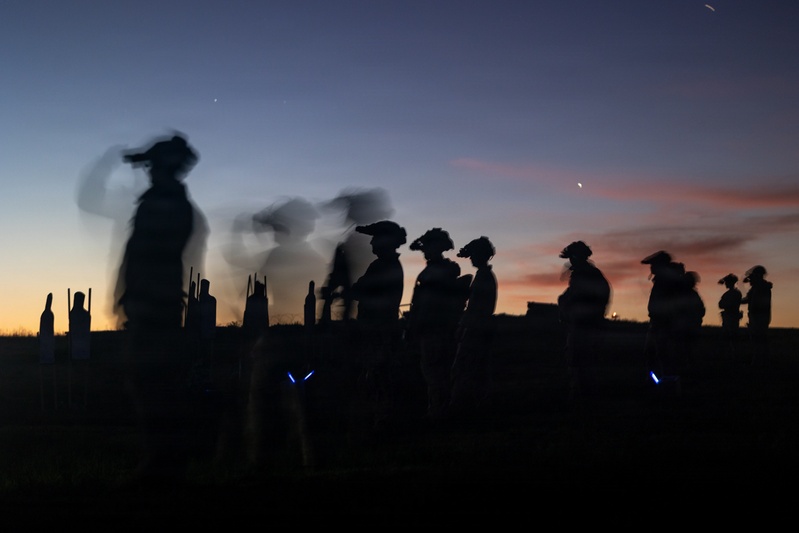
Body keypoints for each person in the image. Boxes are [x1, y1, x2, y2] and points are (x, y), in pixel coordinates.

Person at [117, 133, 199, 483]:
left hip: (156, 303)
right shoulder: (163, 199)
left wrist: (141, 297)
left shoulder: (166, 200)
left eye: (153, 163)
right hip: (152, 301)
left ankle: (163, 465)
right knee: (151, 381)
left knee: (153, 382)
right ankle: (164, 462)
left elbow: (152, 254)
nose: (148, 170)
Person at [349, 220, 407, 429]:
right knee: (379, 375)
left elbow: (360, 290)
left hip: (378, 330)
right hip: (381, 329)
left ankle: (383, 420)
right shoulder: (388, 265)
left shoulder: (382, 266)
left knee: (378, 375)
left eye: (375, 239)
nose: (372, 243)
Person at [407, 228, 467, 418]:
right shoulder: (441, 270)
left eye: (428, 247)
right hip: (434, 328)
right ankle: (440, 409)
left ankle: (439, 412)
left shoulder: (436, 272)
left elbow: (430, 303)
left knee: (435, 372)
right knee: (435, 371)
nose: (425, 251)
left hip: (435, 329)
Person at [450, 237, 498, 416]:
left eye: (474, 254)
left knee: (468, 368)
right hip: (478, 327)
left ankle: (467, 407)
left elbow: (478, 308)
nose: (471, 258)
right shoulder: (483, 276)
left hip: (476, 329)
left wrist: (464, 326)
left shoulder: (484, 277)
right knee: (476, 369)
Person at [557, 241, 610, 397]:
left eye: (573, 257)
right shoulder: (590, 275)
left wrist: (567, 307)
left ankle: (584, 399)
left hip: (584, 329)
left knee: (581, 365)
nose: (571, 261)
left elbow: (580, 299)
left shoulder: (586, 275)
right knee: (582, 365)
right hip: (584, 327)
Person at [641, 251, 684, 377]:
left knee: (662, 354)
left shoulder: (666, 281)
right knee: (658, 354)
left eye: (653, 264)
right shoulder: (666, 280)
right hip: (660, 322)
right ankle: (663, 382)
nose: (651, 267)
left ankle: (666, 384)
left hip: (664, 323)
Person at [742, 265, 772, 363]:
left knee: (758, 338)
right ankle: (760, 359)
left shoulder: (760, 287)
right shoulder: (760, 287)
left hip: (759, 317)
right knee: (759, 338)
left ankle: (759, 360)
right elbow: (747, 299)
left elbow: (752, 301)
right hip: (759, 316)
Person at [718, 273, 742, 357]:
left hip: (730, 316)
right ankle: (733, 353)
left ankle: (731, 354)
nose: (725, 284)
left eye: (727, 282)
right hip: (733, 316)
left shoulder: (730, 294)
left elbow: (721, 305)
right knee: (731, 336)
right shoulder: (736, 293)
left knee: (730, 336)